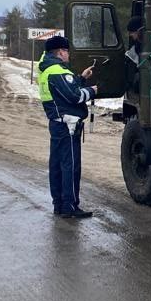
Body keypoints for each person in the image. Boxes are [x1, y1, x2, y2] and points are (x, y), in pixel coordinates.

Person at [37, 35, 97, 219]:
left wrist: (80, 78)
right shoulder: (58, 70)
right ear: (61, 51)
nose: (69, 55)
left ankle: (59, 205)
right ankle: (70, 206)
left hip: (57, 123)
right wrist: (92, 91)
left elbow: (63, 92)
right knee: (70, 166)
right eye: (67, 51)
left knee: (56, 165)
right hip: (68, 126)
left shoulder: (47, 69)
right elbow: (74, 97)